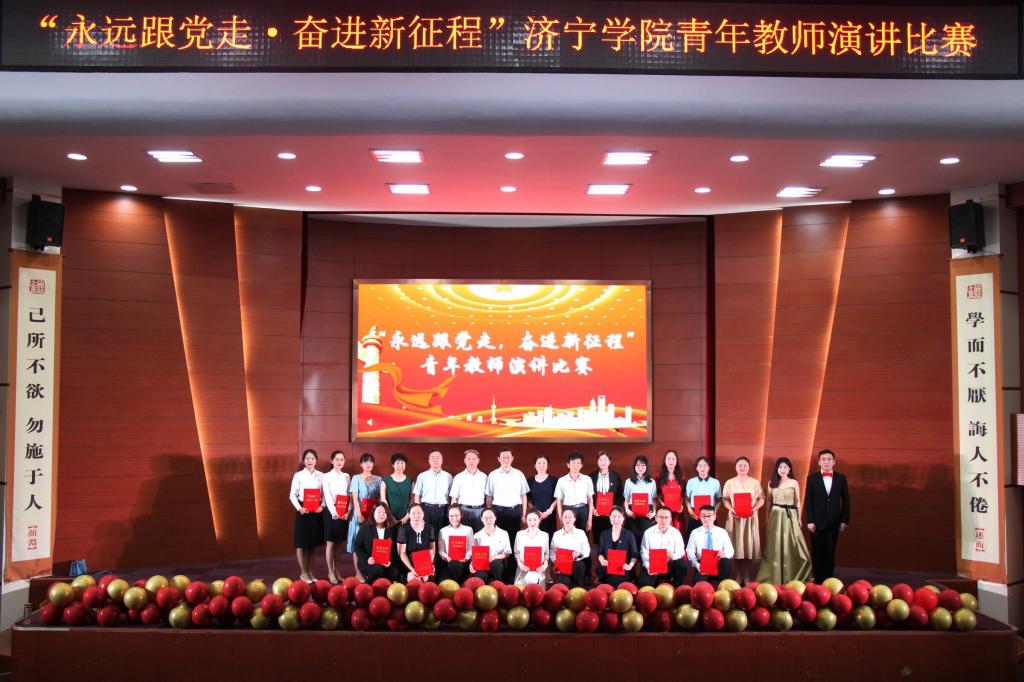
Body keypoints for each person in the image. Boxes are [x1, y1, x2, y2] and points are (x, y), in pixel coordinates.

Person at [756, 457, 812, 584]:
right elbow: (769, 501)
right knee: (774, 545)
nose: (782, 469)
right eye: (780, 467)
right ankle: (774, 576)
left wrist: (798, 518)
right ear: (777, 469)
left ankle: (792, 574)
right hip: (775, 515)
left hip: (789, 515)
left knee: (792, 543)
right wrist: (767, 517)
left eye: (785, 467)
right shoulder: (771, 483)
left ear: (789, 469)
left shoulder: (794, 482)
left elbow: (797, 501)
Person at [804, 449, 850, 582]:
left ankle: (829, 580)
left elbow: (846, 500)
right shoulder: (812, 478)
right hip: (816, 522)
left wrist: (844, 520)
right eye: (823, 459)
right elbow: (808, 500)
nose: (826, 462)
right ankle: (818, 580)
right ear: (819, 462)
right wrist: (810, 520)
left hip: (834, 521)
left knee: (830, 551)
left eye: (829, 459)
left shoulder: (841, 478)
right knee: (817, 552)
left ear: (834, 462)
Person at [485, 448, 529, 579]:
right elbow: (489, 496)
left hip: (514, 512)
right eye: (503, 457)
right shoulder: (493, 475)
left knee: (513, 541)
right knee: (497, 542)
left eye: (508, 457)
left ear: (512, 458)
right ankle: (498, 574)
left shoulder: (519, 474)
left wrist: (523, 515)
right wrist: (489, 512)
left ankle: (512, 574)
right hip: (497, 512)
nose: (506, 459)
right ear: (499, 459)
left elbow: (523, 496)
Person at [721, 456, 765, 585]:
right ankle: (738, 575)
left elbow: (761, 498)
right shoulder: (730, 482)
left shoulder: (755, 482)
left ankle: (746, 575)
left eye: (745, 465)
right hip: (735, 518)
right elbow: (725, 499)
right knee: (735, 547)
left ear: (749, 467)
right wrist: (731, 509)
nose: (742, 467)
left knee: (747, 547)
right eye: (739, 465)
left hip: (750, 519)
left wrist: (755, 508)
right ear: (735, 467)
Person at [554, 452, 594, 583]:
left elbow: (590, 499)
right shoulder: (561, 481)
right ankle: (566, 569)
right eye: (573, 463)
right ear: (568, 465)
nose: (575, 466)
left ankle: (586, 574)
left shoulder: (587, 480)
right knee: (566, 540)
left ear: (581, 465)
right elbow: (559, 501)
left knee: (583, 541)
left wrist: (590, 518)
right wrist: (561, 518)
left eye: (578, 463)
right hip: (568, 510)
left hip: (583, 510)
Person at [290, 448, 324, 583]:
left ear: (316, 461)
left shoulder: (321, 475)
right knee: (301, 544)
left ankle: (310, 572)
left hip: (316, 511)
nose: (310, 461)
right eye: (307, 458)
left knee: (312, 544)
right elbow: (292, 495)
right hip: (303, 510)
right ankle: (303, 573)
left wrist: (322, 506)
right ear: (304, 461)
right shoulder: (298, 475)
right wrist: (299, 508)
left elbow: (325, 494)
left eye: (312, 458)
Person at [347, 453, 382, 581]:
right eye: (365, 462)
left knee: (372, 543)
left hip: (373, 516)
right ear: (361, 464)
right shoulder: (356, 478)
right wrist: (359, 515)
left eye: (370, 462)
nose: (368, 464)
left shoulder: (379, 479)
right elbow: (354, 498)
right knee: (358, 544)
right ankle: (358, 573)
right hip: (359, 516)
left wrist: (376, 515)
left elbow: (379, 499)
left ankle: (371, 572)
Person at [686, 505, 735, 588]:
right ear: (700, 517)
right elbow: (690, 551)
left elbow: (730, 550)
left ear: (714, 517)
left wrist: (724, 554)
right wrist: (697, 565)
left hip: (719, 563)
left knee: (726, 561)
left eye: (709, 515)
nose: (706, 518)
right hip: (702, 565)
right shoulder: (695, 533)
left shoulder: (722, 532)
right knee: (699, 588)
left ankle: (723, 588)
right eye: (703, 516)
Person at [322, 450, 351, 585]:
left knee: (340, 543)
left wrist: (348, 511)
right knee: (331, 543)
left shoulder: (346, 476)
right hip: (331, 512)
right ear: (331, 461)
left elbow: (349, 494)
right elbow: (327, 496)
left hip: (343, 511)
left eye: (342, 459)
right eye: (337, 459)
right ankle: (330, 571)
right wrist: (334, 512)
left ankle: (337, 570)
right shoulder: (326, 476)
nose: (339, 462)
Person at [639, 507, 687, 586]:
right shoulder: (648, 533)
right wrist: (648, 566)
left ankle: (675, 587)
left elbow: (681, 551)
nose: (663, 520)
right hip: (653, 564)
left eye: (666, 517)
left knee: (681, 565)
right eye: (661, 517)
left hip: (670, 564)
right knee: (644, 583)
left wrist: (673, 555)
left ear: (670, 519)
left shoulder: (676, 532)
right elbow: (644, 552)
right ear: (656, 518)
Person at [353, 502, 400, 582]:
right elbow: (357, 546)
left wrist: (390, 561)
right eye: (379, 512)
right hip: (369, 562)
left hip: (386, 562)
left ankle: (385, 587)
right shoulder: (365, 528)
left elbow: (395, 550)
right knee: (377, 569)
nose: (381, 514)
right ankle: (370, 586)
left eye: (384, 512)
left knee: (395, 573)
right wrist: (367, 559)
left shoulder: (392, 529)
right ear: (373, 513)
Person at [413, 449, 453, 538]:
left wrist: (450, 511)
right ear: (429, 461)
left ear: (442, 460)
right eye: (433, 458)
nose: (435, 460)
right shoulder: (422, 476)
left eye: (438, 458)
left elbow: (452, 497)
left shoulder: (448, 476)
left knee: (441, 536)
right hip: (426, 509)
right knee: (426, 535)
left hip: (442, 510)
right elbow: (417, 496)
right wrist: (418, 511)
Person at [596, 507, 638, 588]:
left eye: (619, 517)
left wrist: (630, 565)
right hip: (608, 566)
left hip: (623, 567)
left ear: (623, 518)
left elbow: (635, 555)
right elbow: (600, 553)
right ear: (609, 517)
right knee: (599, 569)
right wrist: (602, 560)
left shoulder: (629, 535)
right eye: (613, 516)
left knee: (613, 582)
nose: (616, 519)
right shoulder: (604, 534)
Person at [549, 508, 590, 588]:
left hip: (576, 563)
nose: (567, 519)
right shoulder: (556, 534)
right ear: (562, 519)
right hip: (562, 565)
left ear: (574, 519)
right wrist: (556, 561)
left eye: (570, 517)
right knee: (564, 584)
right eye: (565, 517)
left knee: (579, 566)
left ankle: (576, 588)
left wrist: (579, 553)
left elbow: (587, 550)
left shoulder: (580, 533)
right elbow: (552, 551)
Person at [450, 449, 488, 533]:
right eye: (469, 459)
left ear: (478, 460)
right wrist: (454, 514)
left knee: (479, 535)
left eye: (474, 459)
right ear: (465, 461)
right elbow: (454, 498)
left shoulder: (484, 477)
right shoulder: (458, 477)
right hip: (463, 511)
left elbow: (488, 497)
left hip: (480, 511)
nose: (471, 461)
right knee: (464, 535)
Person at [684, 456, 721, 543]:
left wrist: (715, 511)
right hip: (695, 515)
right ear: (696, 468)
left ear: (709, 467)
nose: (702, 468)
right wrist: (689, 509)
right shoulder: (691, 482)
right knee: (693, 540)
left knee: (710, 540)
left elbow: (719, 500)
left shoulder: (715, 482)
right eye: (700, 466)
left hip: (710, 515)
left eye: (705, 465)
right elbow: (686, 498)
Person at [397, 503, 437, 582]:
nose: (416, 516)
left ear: (423, 514)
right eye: (413, 513)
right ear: (409, 515)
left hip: (425, 562)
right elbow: (402, 553)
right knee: (415, 580)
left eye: (419, 513)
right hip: (409, 564)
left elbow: (432, 549)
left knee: (425, 578)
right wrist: (412, 569)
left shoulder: (429, 528)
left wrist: (429, 565)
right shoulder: (403, 529)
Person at [590, 451, 623, 545]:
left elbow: (620, 494)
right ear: (597, 462)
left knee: (611, 539)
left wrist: (614, 508)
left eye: (605, 460)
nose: (603, 462)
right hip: (596, 514)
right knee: (597, 539)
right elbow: (588, 495)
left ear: (609, 462)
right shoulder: (591, 476)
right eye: (600, 460)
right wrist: (593, 508)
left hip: (611, 515)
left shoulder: (615, 476)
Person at [471, 508, 512, 582]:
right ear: (481, 519)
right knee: (481, 576)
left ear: (495, 518)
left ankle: (498, 584)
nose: (488, 520)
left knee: (495, 564)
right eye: (485, 518)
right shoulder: (477, 535)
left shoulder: (503, 533)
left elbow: (507, 553)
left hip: (497, 564)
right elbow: (475, 555)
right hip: (483, 565)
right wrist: (471, 564)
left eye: (491, 517)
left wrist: (495, 557)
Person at [622, 455, 657, 541]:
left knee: (646, 538)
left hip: (647, 514)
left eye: (643, 465)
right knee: (632, 539)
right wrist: (627, 510)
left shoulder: (652, 482)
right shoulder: (628, 481)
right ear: (634, 467)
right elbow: (626, 499)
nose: (640, 468)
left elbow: (653, 500)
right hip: (632, 514)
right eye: (637, 465)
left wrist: (654, 512)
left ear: (647, 467)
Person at [513, 509, 550, 587]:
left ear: (539, 520)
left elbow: (546, 553)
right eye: (529, 520)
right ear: (526, 520)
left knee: (532, 580)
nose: (532, 523)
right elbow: (516, 553)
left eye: (535, 519)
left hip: (538, 570)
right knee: (518, 590)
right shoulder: (519, 534)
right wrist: (520, 564)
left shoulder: (544, 535)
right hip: (523, 569)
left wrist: (545, 565)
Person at [438, 505, 475, 583]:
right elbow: (441, 551)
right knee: (443, 580)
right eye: (451, 516)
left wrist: (465, 557)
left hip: (464, 563)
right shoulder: (443, 531)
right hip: (448, 563)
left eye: (457, 515)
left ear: (461, 515)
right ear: (448, 516)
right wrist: (447, 557)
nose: (454, 518)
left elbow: (471, 549)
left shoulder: (468, 529)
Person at [527, 454, 558, 536]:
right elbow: (527, 499)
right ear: (535, 466)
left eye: (544, 463)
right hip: (535, 516)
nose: (541, 465)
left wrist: (549, 511)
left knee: (549, 537)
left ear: (548, 466)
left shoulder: (553, 480)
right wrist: (535, 510)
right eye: (539, 463)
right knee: (535, 537)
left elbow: (558, 498)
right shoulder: (530, 480)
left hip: (550, 515)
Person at [657, 449, 686, 534]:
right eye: (668, 459)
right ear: (665, 461)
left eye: (673, 459)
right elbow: (656, 495)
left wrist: (681, 505)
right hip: (664, 512)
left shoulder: (682, 477)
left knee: (677, 534)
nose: (671, 461)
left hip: (678, 513)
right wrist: (663, 504)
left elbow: (683, 495)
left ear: (676, 462)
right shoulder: (659, 477)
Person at [380, 452, 413, 525]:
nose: (400, 466)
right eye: (397, 463)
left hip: (406, 517)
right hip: (389, 517)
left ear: (405, 465)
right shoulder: (385, 480)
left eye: (402, 463)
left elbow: (412, 500)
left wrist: (407, 516)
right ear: (393, 465)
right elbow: (383, 500)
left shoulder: (410, 481)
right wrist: (390, 516)